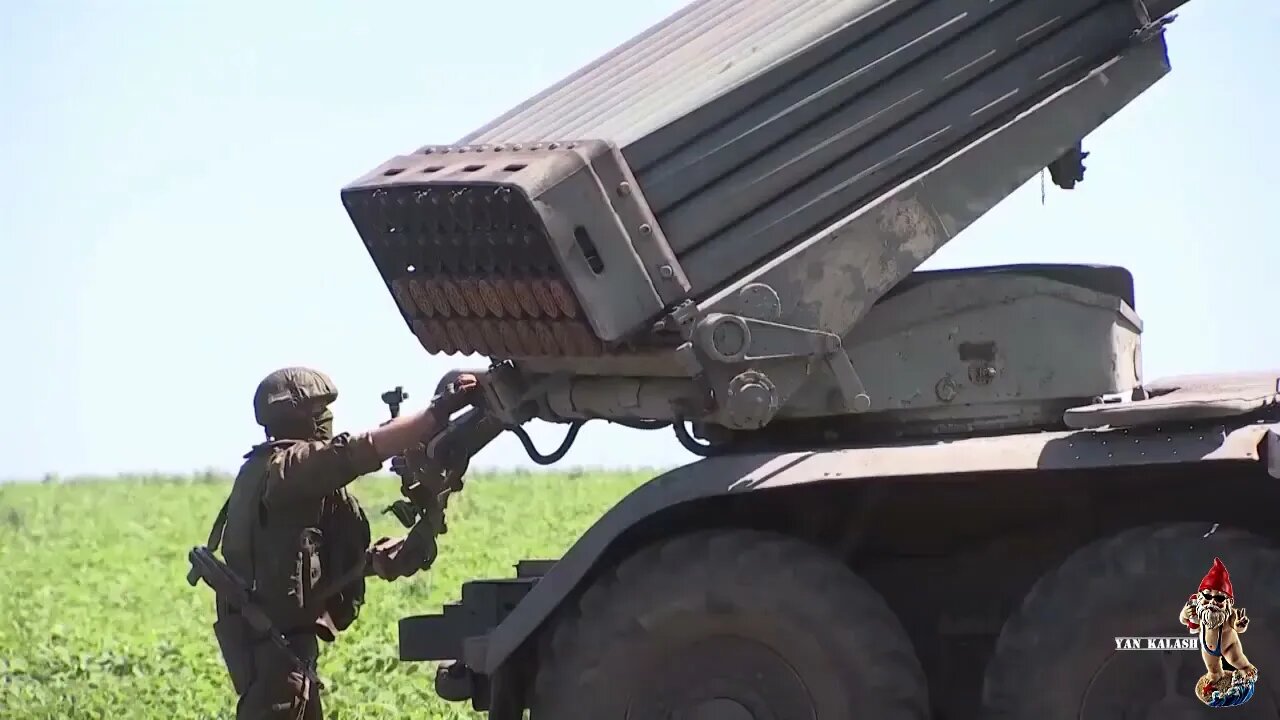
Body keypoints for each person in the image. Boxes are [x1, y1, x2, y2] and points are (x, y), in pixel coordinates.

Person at [203, 366, 479, 720]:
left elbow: (293, 562)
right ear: (298, 418)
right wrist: (438, 411)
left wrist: (373, 562)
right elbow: (361, 449)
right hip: (277, 661)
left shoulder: (265, 470)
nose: (327, 420)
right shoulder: (289, 470)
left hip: (280, 653)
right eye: (319, 413)